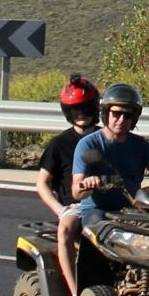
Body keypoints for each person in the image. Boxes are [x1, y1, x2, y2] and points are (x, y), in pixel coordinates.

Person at [57, 82, 149, 296]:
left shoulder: (140, 144)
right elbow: (76, 189)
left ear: (134, 119)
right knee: (96, 235)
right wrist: (88, 184)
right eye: (116, 114)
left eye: (127, 115)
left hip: (130, 208)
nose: (121, 120)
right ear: (106, 114)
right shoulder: (90, 143)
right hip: (96, 210)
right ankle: (82, 293)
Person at [35, 75, 100, 219]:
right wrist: (60, 210)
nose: (81, 115)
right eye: (75, 110)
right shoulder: (59, 144)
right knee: (67, 231)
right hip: (76, 209)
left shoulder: (107, 138)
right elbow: (42, 183)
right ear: (68, 113)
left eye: (85, 109)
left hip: (108, 206)